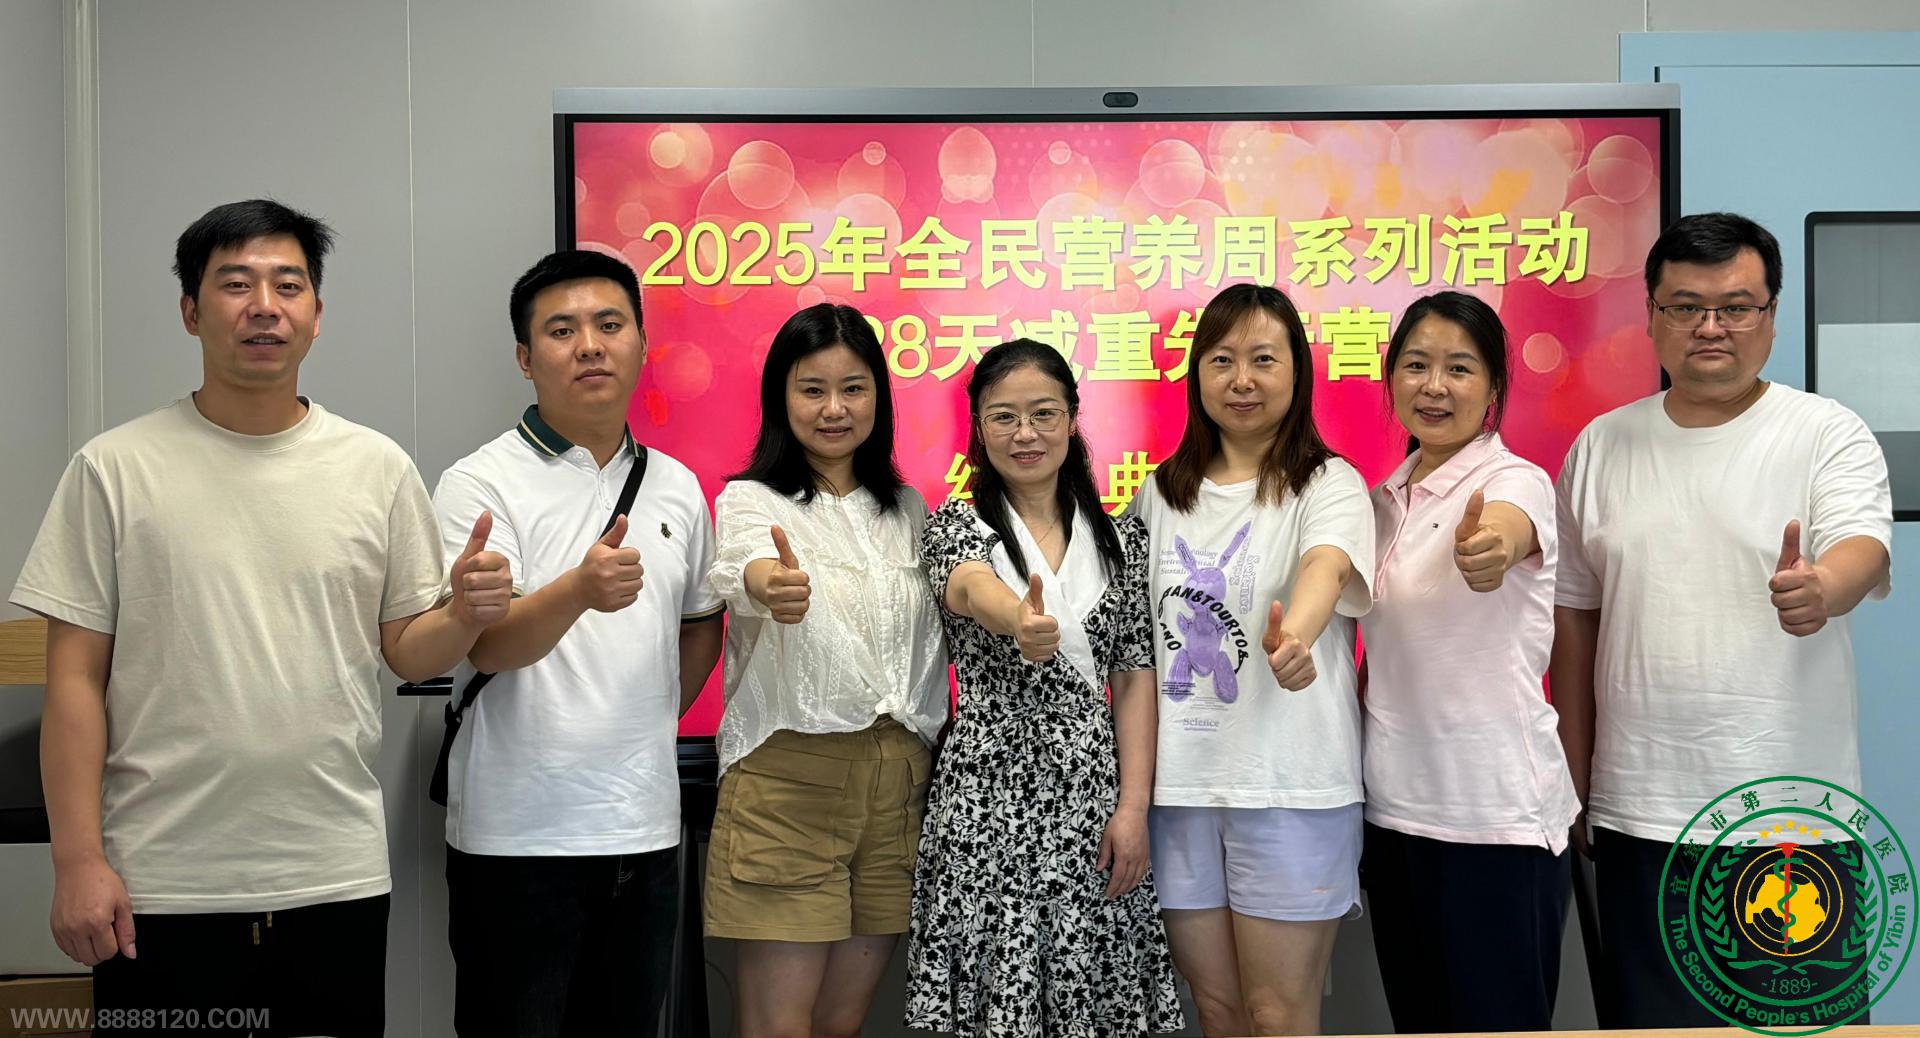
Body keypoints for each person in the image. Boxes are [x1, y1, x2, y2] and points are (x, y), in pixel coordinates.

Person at [11, 199, 510, 1037]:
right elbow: (73, 682)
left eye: (288, 284)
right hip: (161, 882)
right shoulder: (114, 469)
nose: (264, 306)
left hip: (334, 874)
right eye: (236, 284)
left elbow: (407, 652)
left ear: (317, 313)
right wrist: (78, 859)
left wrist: (462, 614)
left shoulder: (376, 467)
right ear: (190, 310)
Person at [1551, 212, 1893, 1028]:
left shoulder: (1824, 432)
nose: (1711, 327)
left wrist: (1822, 588)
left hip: (1791, 819)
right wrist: (1575, 778)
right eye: (1686, 307)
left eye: (1736, 307)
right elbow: (1575, 624)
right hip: (1638, 813)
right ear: (1651, 315)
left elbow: (1863, 548)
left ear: (1770, 314)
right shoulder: (1601, 447)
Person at [430, 249, 723, 1037]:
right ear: (525, 359)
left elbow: (701, 622)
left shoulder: (676, 485)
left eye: (609, 324)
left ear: (641, 344)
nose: (590, 345)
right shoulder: (480, 483)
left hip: (645, 828)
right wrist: (578, 591)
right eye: (561, 331)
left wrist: (646, 719)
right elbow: (487, 648)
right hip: (515, 837)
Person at [906, 339, 1183, 1037]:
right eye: (1003, 417)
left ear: (1072, 418)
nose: (1024, 433)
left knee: (1093, 999)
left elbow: (1134, 677)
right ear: (979, 426)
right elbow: (970, 588)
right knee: (998, 1001)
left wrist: (1133, 809)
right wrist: (1018, 620)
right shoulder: (955, 526)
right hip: (986, 797)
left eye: (1043, 414)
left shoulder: (1120, 540)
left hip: (1091, 797)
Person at [1129, 282, 1375, 1037]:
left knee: (1277, 1014)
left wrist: (1294, 637)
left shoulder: (1328, 482)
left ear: (1297, 370)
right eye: (1222, 360)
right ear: (1196, 374)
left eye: (1264, 359)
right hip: (1180, 791)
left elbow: (1326, 566)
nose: (1242, 379)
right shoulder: (1158, 495)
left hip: (1290, 786)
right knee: (1218, 1010)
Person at [702, 303, 948, 1038]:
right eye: (812, 389)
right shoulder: (751, 499)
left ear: (879, 397)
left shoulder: (908, 508)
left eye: (853, 388)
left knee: (841, 1022)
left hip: (899, 778)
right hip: (791, 778)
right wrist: (769, 586)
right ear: (781, 397)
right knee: (779, 1026)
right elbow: (745, 565)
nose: (834, 409)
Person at [1359, 291, 1577, 1032]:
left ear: (1492, 388)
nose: (1434, 386)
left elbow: (1506, 534)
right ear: (1391, 378)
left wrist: (1491, 549)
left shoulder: (1513, 481)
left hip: (1495, 819)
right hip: (1395, 813)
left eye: (1459, 368)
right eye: (1416, 365)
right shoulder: (1382, 500)